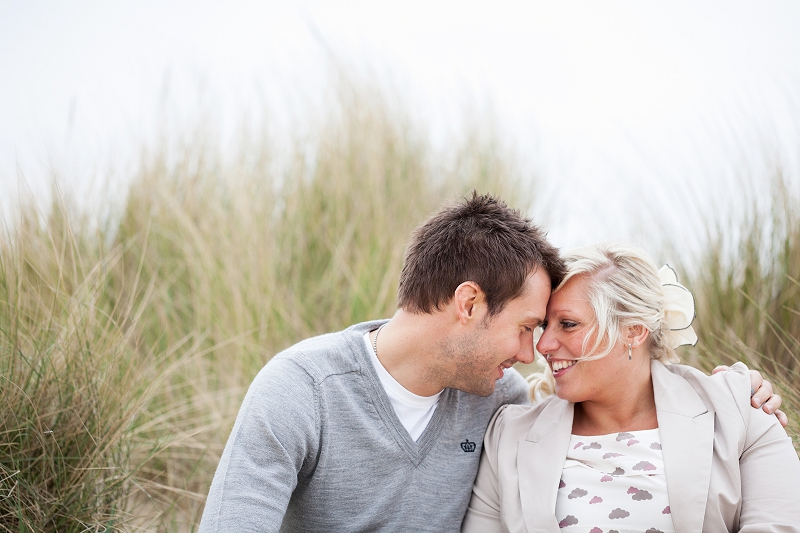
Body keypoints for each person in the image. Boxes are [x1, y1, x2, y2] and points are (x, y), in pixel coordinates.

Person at [199, 195, 783, 533]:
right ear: (469, 303)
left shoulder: (498, 401)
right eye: (529, 327)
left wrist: (740, 397)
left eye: (556, 327)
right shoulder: (302, 388)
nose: (532, 354)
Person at [463, 243, 800, 533]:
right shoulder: (508, 435)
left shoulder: (740, 410)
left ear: (633, 331)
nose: (544, 345)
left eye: (568, 324)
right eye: (543, 326)